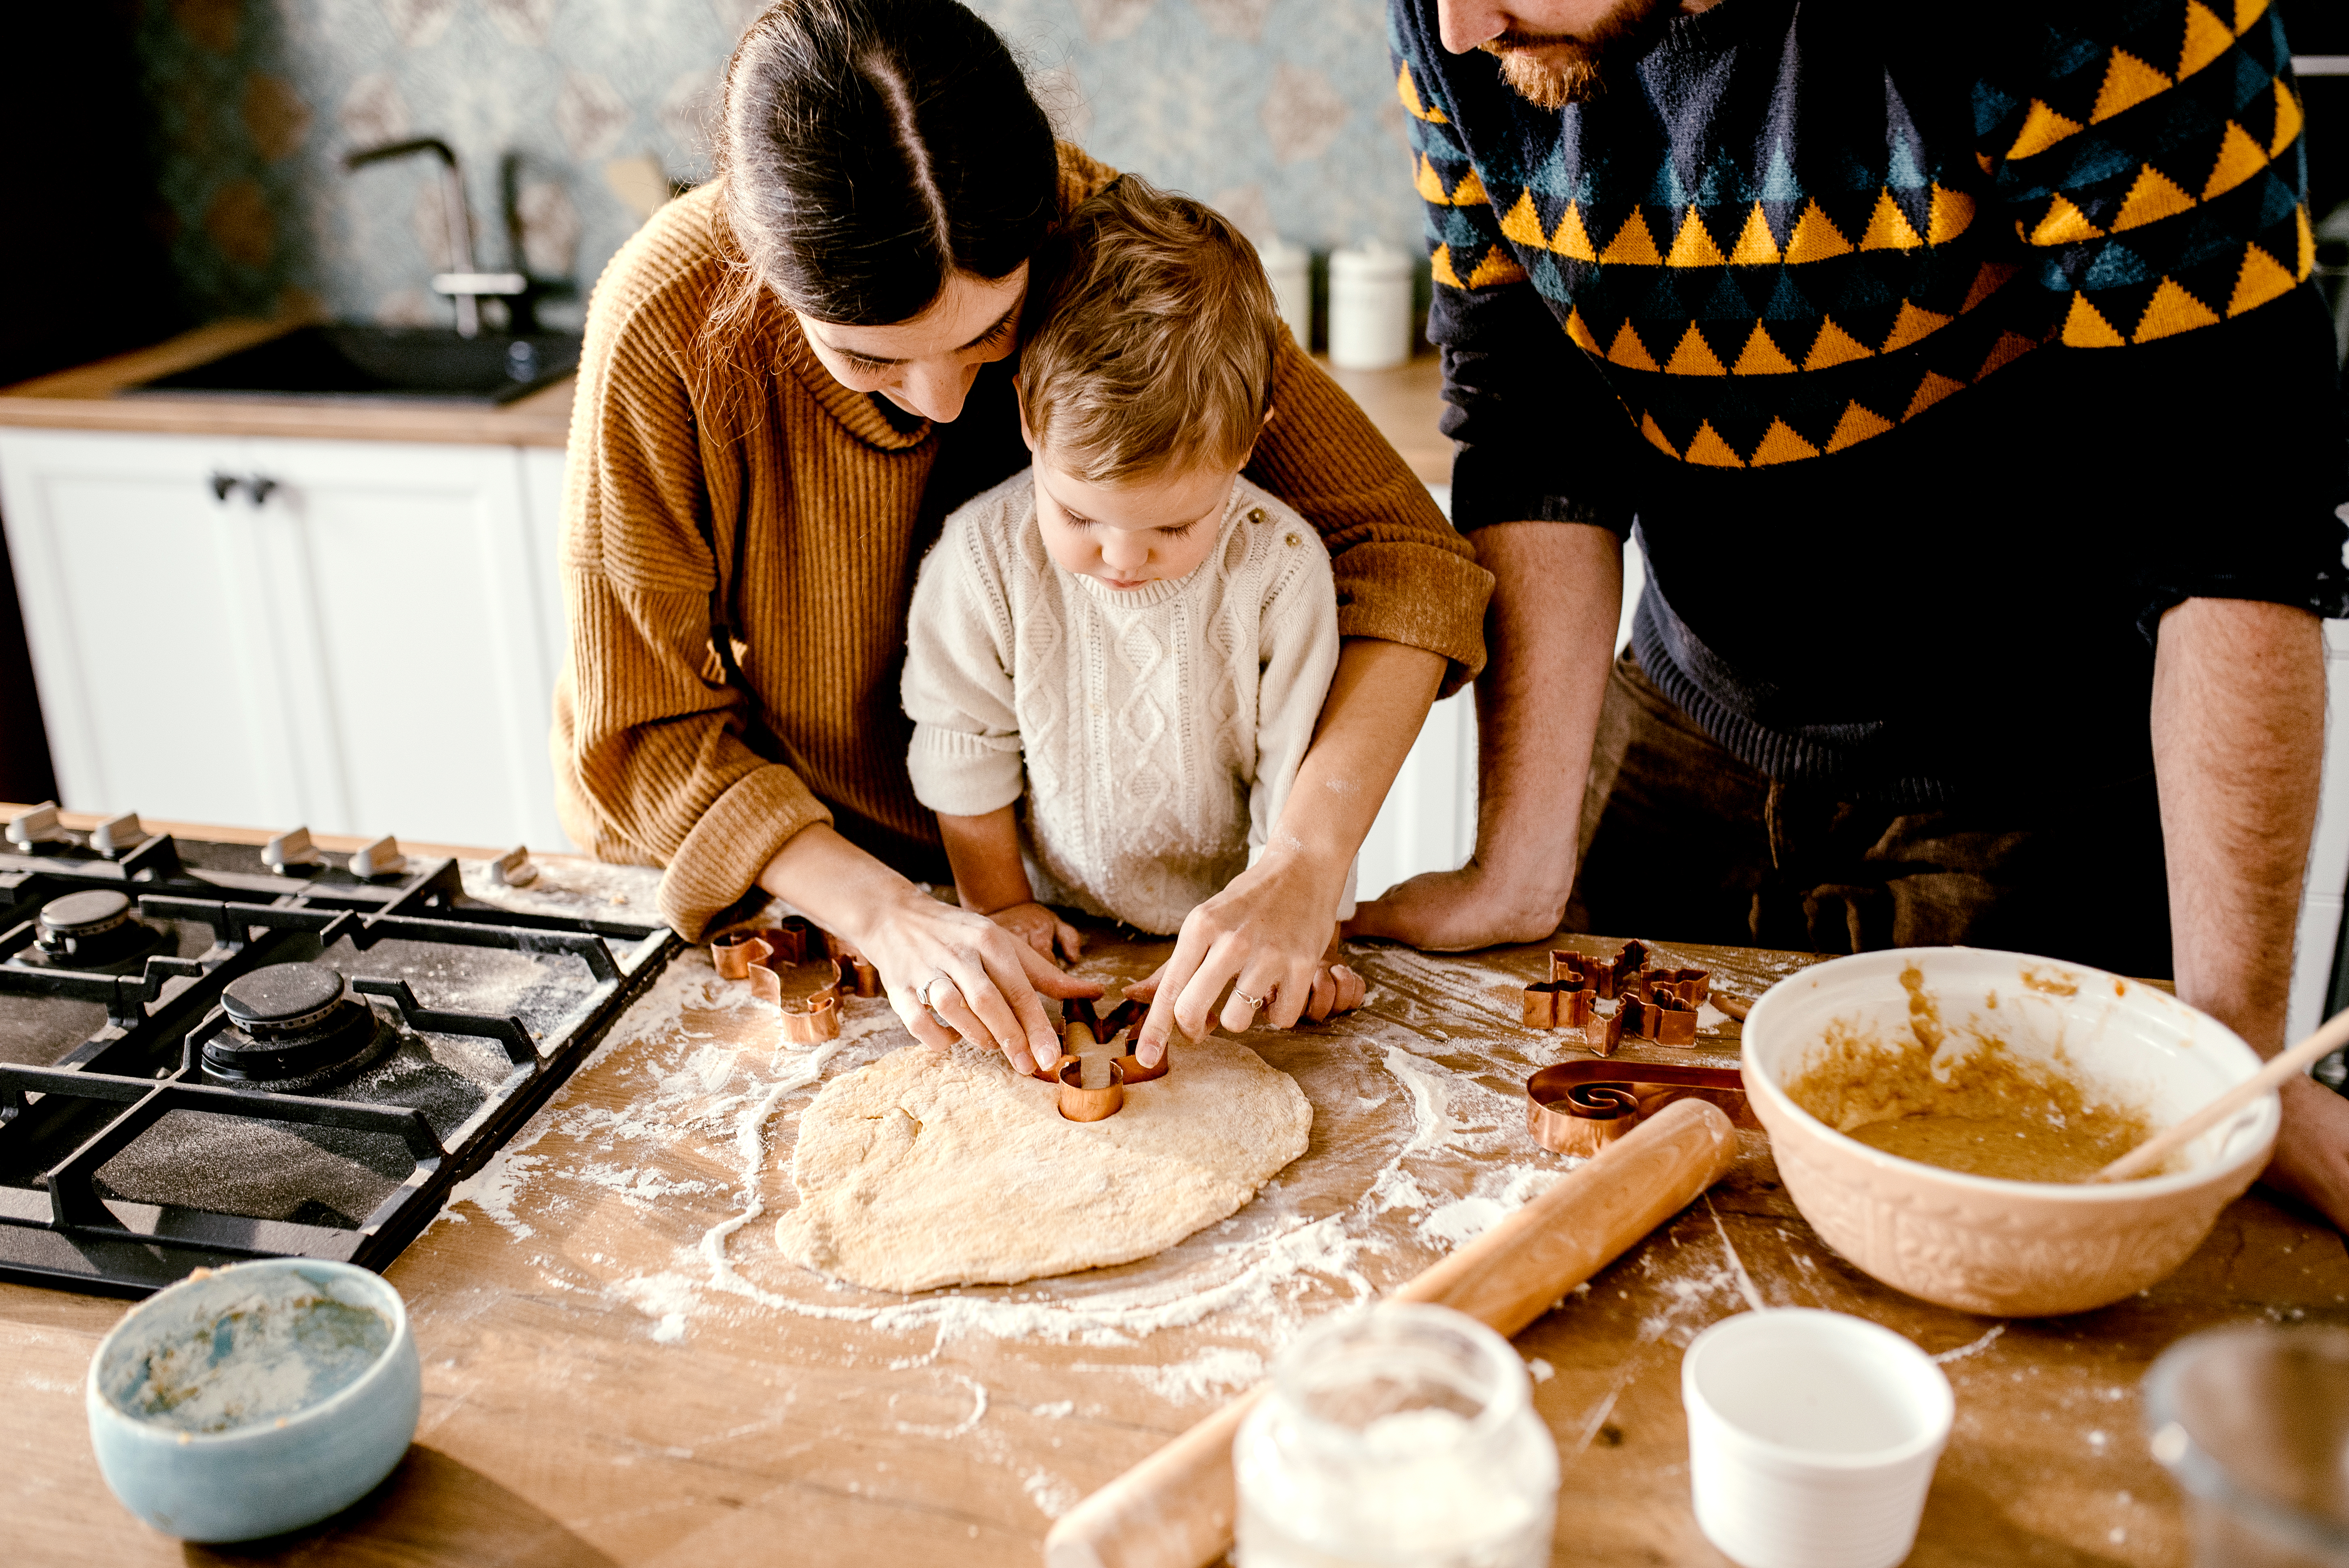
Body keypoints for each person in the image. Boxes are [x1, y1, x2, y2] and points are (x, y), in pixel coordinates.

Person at [1351, 0, 2349, 1223]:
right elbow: (1532, 412)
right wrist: (1514, 862)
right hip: (1676, 729)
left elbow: (2227, 513)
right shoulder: (1469, 25)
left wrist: (2228, 1043)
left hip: (2029, 796)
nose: (1456, 26)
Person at [551, 0, 1491, 1082]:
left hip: (1060, 909)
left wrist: (1303, 860)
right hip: (810, 891)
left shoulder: (1111, 245)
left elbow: (1405, 556)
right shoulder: (666, 316)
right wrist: (891, 916)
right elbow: (642, 730)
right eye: (869, 361)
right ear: (765, 277)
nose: (945, 404)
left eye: (991, 334)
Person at [902, 177, 1369, 1036]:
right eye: (1078, 515)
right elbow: (962, 749)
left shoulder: (1280, 571)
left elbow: (1296, 783)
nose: (1119, 559)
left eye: (1173, 525)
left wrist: (1314, 936)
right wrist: (1002, 907)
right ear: (1029, 420)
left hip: (1231, 927)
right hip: (1059, 928)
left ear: (1249, 441)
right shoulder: (980, 559)